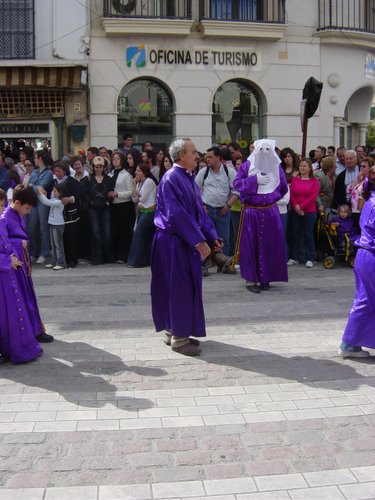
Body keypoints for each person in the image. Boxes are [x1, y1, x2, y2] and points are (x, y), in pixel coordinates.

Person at [151, 138, 222, 356]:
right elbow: (176, 214)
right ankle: (179, 340)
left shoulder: (188, 178)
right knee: (178, 287)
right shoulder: (172, 177)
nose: (197, 155)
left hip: (183, 241)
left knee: (182, 287)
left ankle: (174, 330)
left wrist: (211, 237)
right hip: (173, 242)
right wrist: (199, 241)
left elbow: (200, 212)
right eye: (193, 152)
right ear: (182, 155)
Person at [233, 139, 288, 293]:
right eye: (261, 149)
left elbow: (283, 188)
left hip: (270, 212)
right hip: (252, 212)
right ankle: (251, 279)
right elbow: (237, 184)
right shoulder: (246, 166)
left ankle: (266, 278)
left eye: (267, 149)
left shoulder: (277, 167)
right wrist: (254, 181)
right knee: (251, 245)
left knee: (270, 245)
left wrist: (270, 197)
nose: (264, 152)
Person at [1, 185, 54, 344]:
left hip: (23, 266)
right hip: (14, 268)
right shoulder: (5, 218)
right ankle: (32, 332)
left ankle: (36, 329)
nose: (28, 211)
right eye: (27, 208)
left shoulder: (17, 215)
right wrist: (20, 243)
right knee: (23, 300)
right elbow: (3, 243)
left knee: (29, 298)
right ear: (17, 203)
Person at [0, 188, 43, 364]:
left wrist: (10, 254)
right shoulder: (4, 219)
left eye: (2, 204)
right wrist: (8, 258)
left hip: (11, 268)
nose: (2, 209)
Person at [338, 176, 375, 358]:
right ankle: (350, 343)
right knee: (366, 299)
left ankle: (350, 343)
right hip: (371, 255)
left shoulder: (370, 199)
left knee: (365, 299)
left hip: (364, 254)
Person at [195, 146, 238, 256]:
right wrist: (201, 206)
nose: (207, 159)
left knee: (224, 239)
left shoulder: (230, 172)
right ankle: (205, 264)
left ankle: (224, 263)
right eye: (206, 157)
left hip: (223, 210)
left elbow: (237, 192)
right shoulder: (203, 172)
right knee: (205, 238)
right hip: (207, 210)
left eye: (210, 157)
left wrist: (228, 206)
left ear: (218, 158)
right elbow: (194, 191)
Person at [289, 158, 320, 268]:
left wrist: (301, 207)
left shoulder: (314, 181)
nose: (302, 168)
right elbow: (291, 194)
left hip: (309, 211)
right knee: (295, 235)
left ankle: (310, 258)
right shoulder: (295, 180)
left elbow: (313, 196)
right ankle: (294, 257)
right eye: (301, 165)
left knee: (308, 235)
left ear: (309, 168)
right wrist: (296, 207)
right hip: (295, 210)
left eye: (304, 166)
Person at [85, 156, 114, 265]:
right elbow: (85, 194)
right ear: (93, 167)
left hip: (105, 208)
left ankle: (108, 256)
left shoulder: (108, 179)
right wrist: (91, 202)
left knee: (106, 233)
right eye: (96, 167)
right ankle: (97, 258)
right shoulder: (89, 179)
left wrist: (108, 202)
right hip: (93, 209)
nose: (98, 169)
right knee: (95, 232)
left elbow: (111, 192)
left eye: (100, 167)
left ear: (104, 167)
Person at [53, 161, 82, 269]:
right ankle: (62, 259)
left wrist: (70, 199)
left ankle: (73, 259)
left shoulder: (72, 182)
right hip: (58, 215)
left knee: (70, 237)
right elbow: (45, 189)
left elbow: (79, 195)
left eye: (59, 171)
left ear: (64, 171)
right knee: (62, 238)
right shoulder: (54, 181)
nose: (56, 173)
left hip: (70, 214)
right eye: (55, 171)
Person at [127, 163, 157, 268]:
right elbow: (134, 199)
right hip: (141, 212)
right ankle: (146, 259)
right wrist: (134, 185)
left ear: (144, 172)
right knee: (145, 237)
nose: (136, 173)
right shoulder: (139, 183)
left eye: (139, 171)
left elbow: (142, 198)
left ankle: (136, 261)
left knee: (138, 235)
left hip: (149, 212)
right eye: (136, 171)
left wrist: (137, 194)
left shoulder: (149, 182)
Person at [27, 149, 54, 264]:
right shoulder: (34, 172)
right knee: (31, 228)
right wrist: (34, 187)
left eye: (35, 157)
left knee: (43, 228)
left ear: (40, 158)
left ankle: (44, 252)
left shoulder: (48, 173)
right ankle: (33, 252)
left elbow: (41, 187)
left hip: (43, 202)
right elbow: (31, 187)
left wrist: (33, 186)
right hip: (33, 202)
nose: (34, 159)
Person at [108, 152, 135, 264]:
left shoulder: (126, 175)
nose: (115, 160)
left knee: (124, 231)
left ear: (122, 160)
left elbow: (130, 192)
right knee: (114, 230)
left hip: (124, 205)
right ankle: (114, 254)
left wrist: (117, 194)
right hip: (112, 205)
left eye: (117, 158)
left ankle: (123, 255)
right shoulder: (109, 174)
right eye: (113, 158)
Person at [37, 184, 67, 270]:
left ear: (60, 193)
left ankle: (61, 263)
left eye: (55, 191)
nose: (53, 193)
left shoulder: (59, 202)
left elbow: (47, 202)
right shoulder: (55, 200)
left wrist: (40, 194)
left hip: (58, 225)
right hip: (52, 224)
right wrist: (43, 194)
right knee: (53, 245)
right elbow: (47, 200)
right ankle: (54, 262)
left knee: (58, 245)